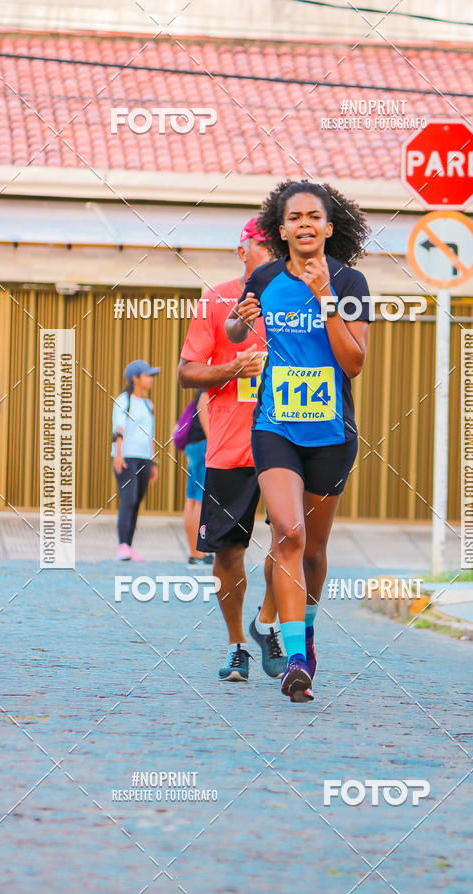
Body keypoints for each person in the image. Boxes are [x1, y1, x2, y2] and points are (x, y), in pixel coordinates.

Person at [226, 180, 370, 702]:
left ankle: (305, 636)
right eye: (295, 217)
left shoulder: (350, 282)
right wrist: (239, 322)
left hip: (331, 433)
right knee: (288, 533)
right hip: (275, 426)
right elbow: (238, 332)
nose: (305, 224)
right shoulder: (263, 277)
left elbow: (353, 362)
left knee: (315, 549)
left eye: (315, 217)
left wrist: (324, 297)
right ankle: (293, 660)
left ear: (328, 228)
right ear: (281, 229)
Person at [177, 217, 287, 682]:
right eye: (262, 245)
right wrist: (233, 369)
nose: (271, 253)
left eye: (275, 246)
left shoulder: (300, 300)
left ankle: (267, 625)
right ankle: (237, 645)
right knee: (227, 553)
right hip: (230, 448)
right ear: (242, 250)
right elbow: (186, 371)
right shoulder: (215, 299)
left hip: (287, 439)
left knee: (291, 540)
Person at [112, 359, 160, 561]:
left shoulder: (148, 404)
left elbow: (150, 435)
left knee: (137, 501)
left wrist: (154, 462)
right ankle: (122, 545)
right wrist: (119, 453)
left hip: (144, 458)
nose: (150, 380)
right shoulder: (124, 400)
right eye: (147, 375)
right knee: (128, 500)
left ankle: (129, 547)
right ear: (135, 378)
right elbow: (119, 428)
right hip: (126, 457)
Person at [182, 389, 213, 566]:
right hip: (204, 445)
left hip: (194, 445)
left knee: (192, 499)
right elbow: (204, 407)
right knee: (200, 500)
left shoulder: (203, 385)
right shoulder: (207, 388)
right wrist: (213, 442)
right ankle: (199, 553)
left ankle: (194, 552)